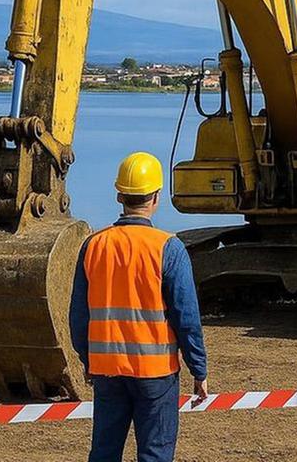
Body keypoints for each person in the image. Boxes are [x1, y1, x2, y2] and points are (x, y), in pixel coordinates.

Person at [70, 151, 209, 462]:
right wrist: (198, 369)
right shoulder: (168, 248)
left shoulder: (93, 245)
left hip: (107, 371)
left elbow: (79, 316)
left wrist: (88, 360)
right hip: (155, 373)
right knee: (155, 454)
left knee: (104, 453)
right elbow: (186, 318)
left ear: (120, 195)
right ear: (157, 196)